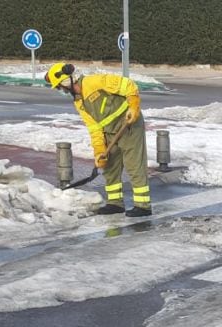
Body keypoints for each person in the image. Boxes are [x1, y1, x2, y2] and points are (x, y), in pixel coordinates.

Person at [45, 62, 151, 217]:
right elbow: (94, 128)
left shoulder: (94, 82)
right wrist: (99, 151)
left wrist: (133, 105)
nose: (61, 90)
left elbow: (128, 85)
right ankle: (115, 204)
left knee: (133, 165)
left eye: (60, 86)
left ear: (67, 81)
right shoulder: (79, 102)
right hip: (109, 132)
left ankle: (143, 206)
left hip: (128, 125)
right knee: (110, 167)